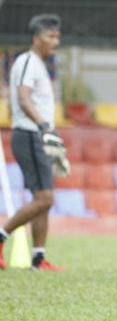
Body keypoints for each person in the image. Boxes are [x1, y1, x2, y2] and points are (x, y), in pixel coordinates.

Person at [1, 14, 66, 271]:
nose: (56, 41)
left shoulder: (39, 64)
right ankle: (2, 236)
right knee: (45, 199)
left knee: (42, 198)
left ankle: (38, 259)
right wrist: (43, 126)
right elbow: (23, 97)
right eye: (50, 36)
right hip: (29, 134)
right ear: (36, 37)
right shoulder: (28, 61)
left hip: (37, 135)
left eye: (58, 36)